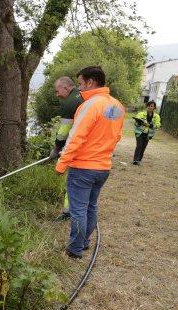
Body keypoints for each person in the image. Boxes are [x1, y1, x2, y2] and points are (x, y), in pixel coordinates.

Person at [55, 66, 125, 259]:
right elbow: (116, 136)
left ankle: (74, 249)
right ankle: (84, 242)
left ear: (91, 82)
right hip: (103, 168)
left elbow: (75, 137)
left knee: (78, 210)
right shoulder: (117, 106)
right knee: (91, 206)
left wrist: (61, 164)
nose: (79, 88)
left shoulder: (90, 105)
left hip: (83, 168)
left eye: (80, 84)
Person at [49, 76, 84, 219]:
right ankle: (73, 210)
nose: (57, 95)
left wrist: (56, 148)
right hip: (90, 146)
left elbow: (63, 131)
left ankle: (68, 212)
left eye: (58, 91)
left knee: (73, 180)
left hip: (78, 149)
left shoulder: (71, 102)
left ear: (66, 87)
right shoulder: (82, 96)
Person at [132, 101, 161, 165]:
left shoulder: (157, 116)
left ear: (154, 108)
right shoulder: (141, 114)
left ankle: (139, 160)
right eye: (149, 106)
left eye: (151, 106)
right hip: (139, 132)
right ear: (146, 106)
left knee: (143, 146)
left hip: (149, 134)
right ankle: (135, 160)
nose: (150, 107)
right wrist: (139, 122)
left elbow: (158, 124)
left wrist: (152, 125)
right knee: (139, 145)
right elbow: (136, 122)